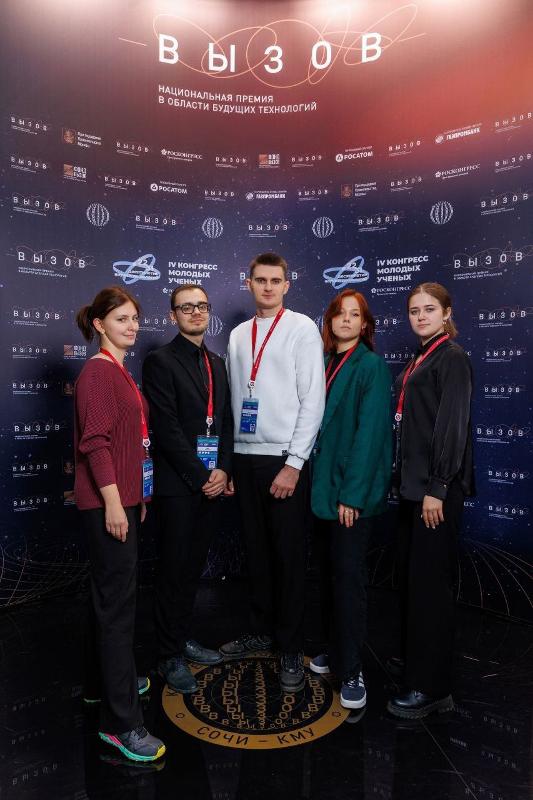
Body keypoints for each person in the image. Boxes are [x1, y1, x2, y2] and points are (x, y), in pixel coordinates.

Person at [220, 252, 325, 693]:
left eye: (275, 280)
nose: (267, 287)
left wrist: (294, 464)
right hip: (244, 459)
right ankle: (261, 631)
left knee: (287, 557)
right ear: (248, 283)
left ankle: (290, 646)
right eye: (260, 280)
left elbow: (312, 400)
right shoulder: (237, 334)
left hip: (283, 460)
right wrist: (228, 464)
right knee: (257, 553)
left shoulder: (301, 328)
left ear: (287, 284)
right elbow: (231, 401)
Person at [74, 286, 165, 762]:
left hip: (124, 500)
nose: (132, 326)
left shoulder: (119, 371)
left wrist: (136, 498)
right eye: (121, 319)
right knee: (117, 611)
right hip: (107, 503)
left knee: (107, 601)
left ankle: (101, 686)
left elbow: (131, 443)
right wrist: (114, 503)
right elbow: (95, 444)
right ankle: (120, 723)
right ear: (100, 325)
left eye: (134, 318)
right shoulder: (98, 372)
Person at [387, 282, 474, 719]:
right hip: (413, 492)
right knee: (413, 583)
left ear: (446, 313)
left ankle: (433, 688)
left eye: (429, 309)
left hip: (434, 494)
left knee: (431, 591)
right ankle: (416, 664)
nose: (420, 316)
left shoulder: (451, 357)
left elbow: (452, 425)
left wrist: (437, 487)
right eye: (414, 310)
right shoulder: (420, 358)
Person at [142, 284, 233, 694]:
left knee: (193, 568)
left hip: (212, 484)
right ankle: (169, 655)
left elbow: (225, 423)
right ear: (172, 315)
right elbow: (166, 429)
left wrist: (223, 470)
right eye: (186, 307)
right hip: (179, 486)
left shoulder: (216, 363)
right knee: (173, 571)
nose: (196, 312)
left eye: (201, 306)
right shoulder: (160, 361)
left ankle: (181, 639)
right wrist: (202, 476)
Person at [310, 290, 392, 709]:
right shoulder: (323, 362)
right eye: (339, 314)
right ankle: (334, 648)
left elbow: (371, 435)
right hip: (321, 489)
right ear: (329, 321)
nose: (345, 320)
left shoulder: (371, 366)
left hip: (348, 495)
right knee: (328, 575)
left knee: (349, 580)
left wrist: (353, 497)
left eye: (354, 314)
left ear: (365, 324)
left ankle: (353, 668)